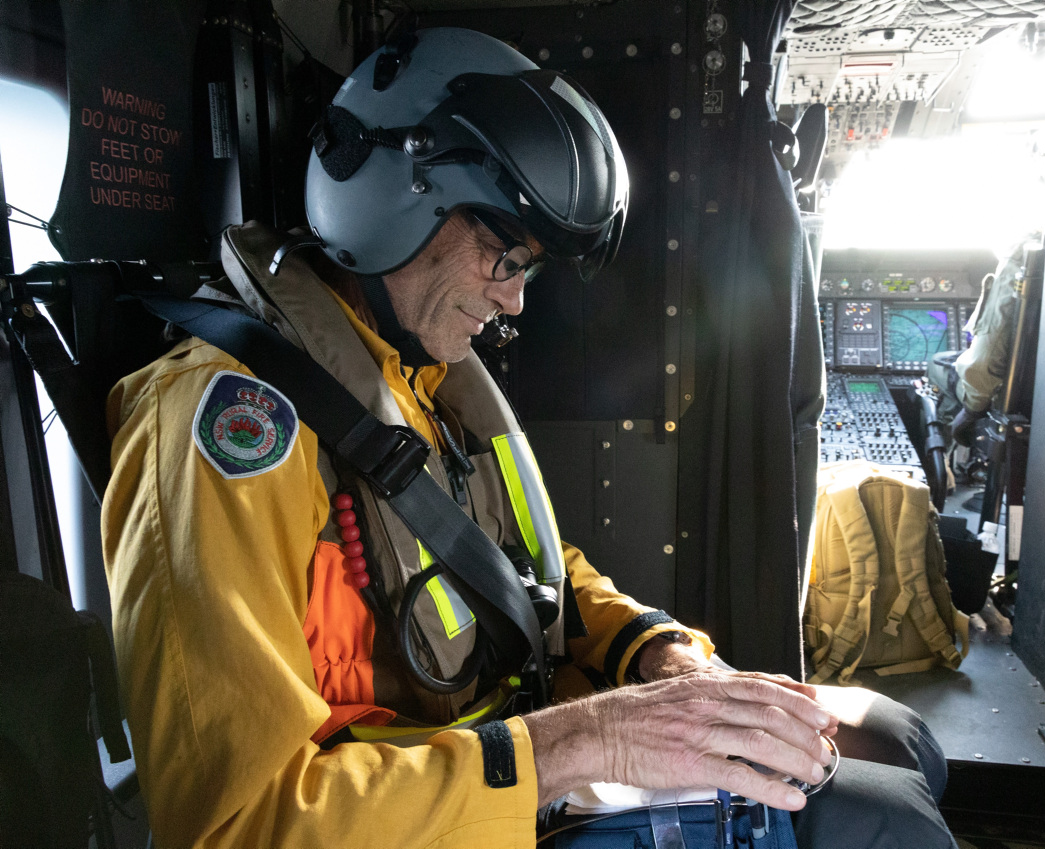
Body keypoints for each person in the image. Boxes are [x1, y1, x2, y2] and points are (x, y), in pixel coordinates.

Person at [102, 27, 955, 848]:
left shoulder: (417, 380)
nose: (513, 299)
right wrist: (591, 738)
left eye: (528, 269)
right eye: (502, 254)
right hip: (426, 814)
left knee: (896, 736)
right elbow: (234, 825)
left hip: (513, 758)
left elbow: (529, 571)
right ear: (393, 201)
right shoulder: (220, 431)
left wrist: (658, 651)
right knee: (881, 822)